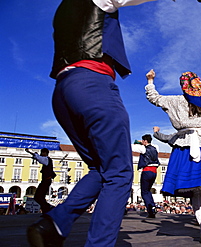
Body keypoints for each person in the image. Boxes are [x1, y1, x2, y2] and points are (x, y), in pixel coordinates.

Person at [27, 1, 156, 247]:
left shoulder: (62, 9)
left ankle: (55, 223)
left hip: (63, 91)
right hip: (92, 83)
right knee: (118, 173)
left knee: (101, 168)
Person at [145, 69, 201, 244]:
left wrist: (150, 80)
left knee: (195, 191)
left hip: (184, 146)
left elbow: (153, 97)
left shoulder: (175, 101)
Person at [131, 134, 160, 218]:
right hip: (154, 172)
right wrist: (142, 142)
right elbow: (151, 145)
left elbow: (132, 146)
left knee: (144, 192)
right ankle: (152, 206)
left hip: (147, 171)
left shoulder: (143, 148)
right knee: (148, 191)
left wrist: (138, 143)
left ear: (145, 141)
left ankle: (151, 208)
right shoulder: (156, 147)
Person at [25, 148, 56, 214]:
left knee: (38, 197)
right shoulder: (47, 160)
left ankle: (48, 207)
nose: (41, 154)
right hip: (46, 181)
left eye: (42, 153)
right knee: (40, 197)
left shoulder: (46, 159)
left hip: (46, 181)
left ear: (45, 153)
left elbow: (39, 158)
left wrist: (30, 152)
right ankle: (46, 209)